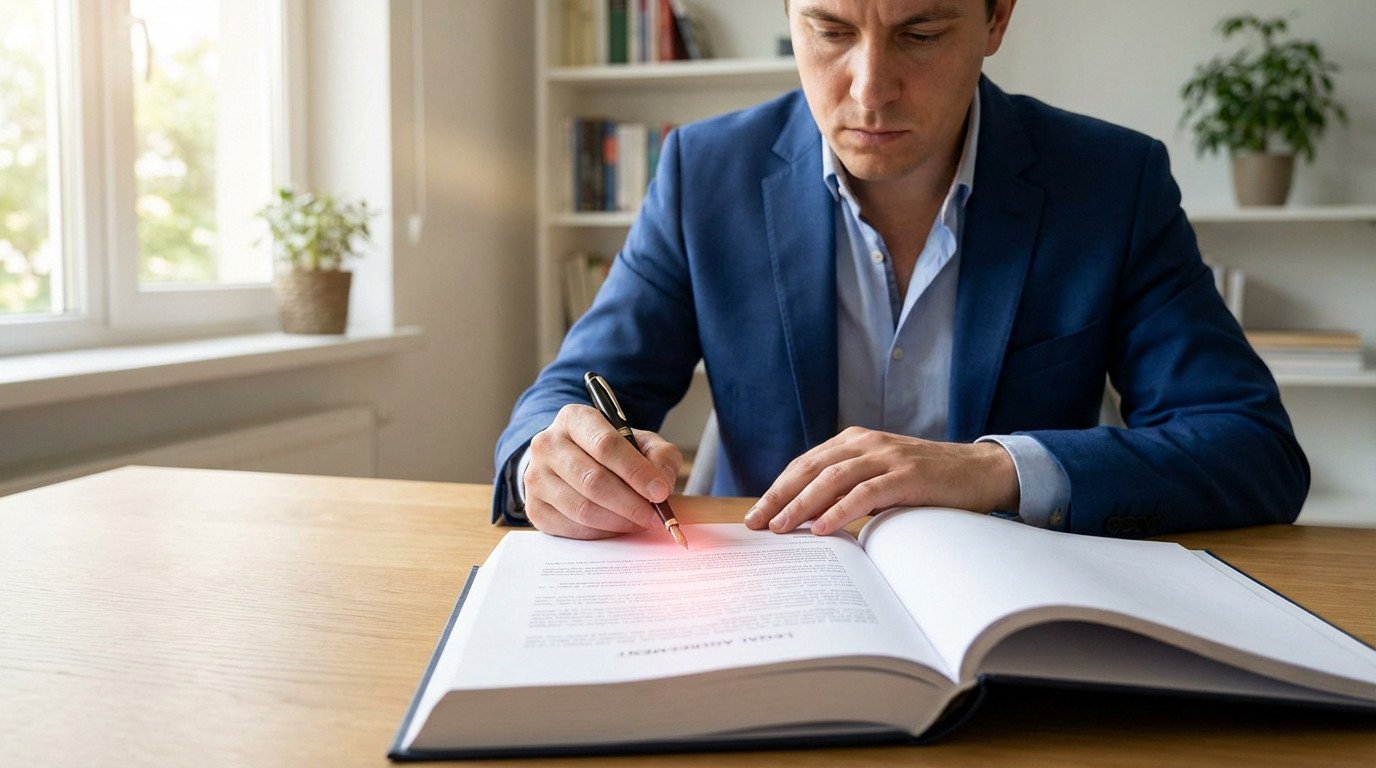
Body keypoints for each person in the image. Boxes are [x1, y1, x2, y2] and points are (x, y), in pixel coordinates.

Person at [493, 0, 1309, 540]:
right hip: (766, 607)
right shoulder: (705, 174)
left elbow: (1253, 450)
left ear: (996, 18)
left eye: (920, 34)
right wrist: (550, 461)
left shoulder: (1109, 183)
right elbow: (564, 399)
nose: (871, 88)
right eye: (830, 30)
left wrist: (995, 468)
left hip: (1015, 623)